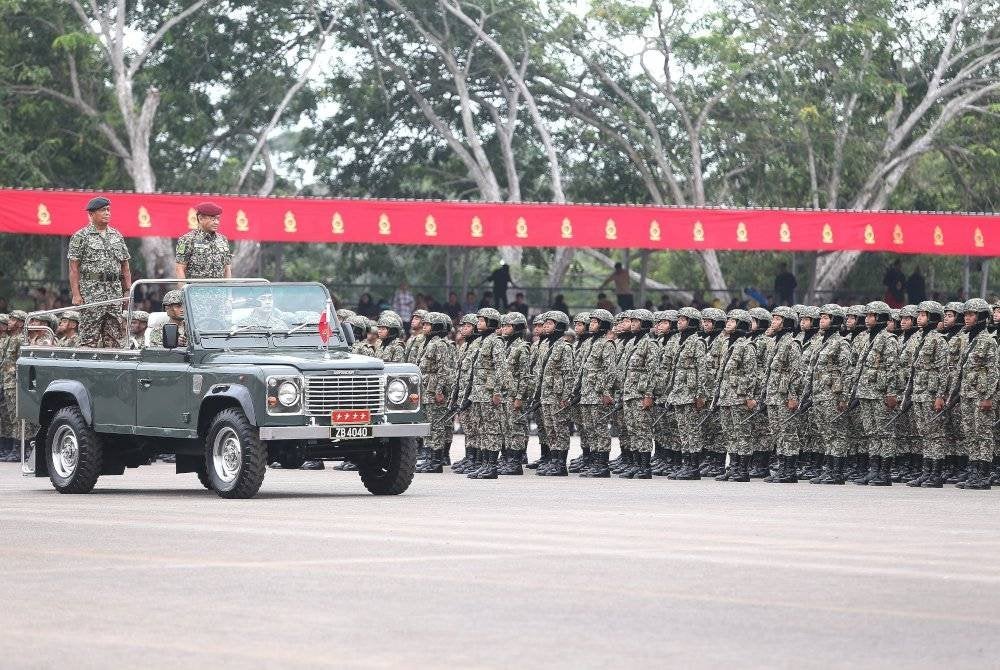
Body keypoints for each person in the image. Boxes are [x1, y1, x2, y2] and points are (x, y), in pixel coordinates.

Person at [68, 196, 132, 348]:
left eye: (108, 210)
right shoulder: (80, 236)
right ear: (91, 214)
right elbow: (73, 268)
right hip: (91, 293)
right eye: (103, 210)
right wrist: (76, 295)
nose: (107, 213)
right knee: (89, 338)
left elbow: (125, 266)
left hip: (114, 293)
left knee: (115, 338)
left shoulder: (116, 235)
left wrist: (128, 290)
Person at [174, 202, 231, 279]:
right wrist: (185, 290)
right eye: (213, 219)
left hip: (219, 290)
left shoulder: (223, 240)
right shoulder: (187, 240)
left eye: (218, 219)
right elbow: (180, 269)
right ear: (200, 218)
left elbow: (227, 269)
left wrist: (228, 289)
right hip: (197, 289)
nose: (216, 222)